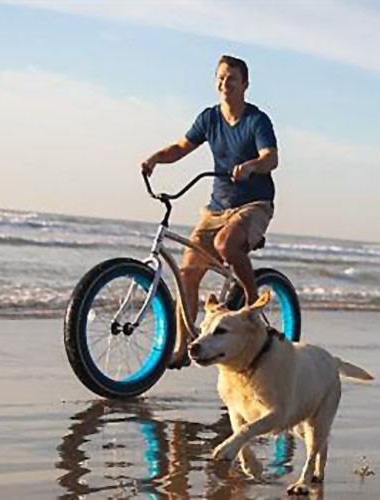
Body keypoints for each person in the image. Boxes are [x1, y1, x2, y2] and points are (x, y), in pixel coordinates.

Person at [140, 55, 279, 368]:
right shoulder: (209, 119)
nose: (223, 83)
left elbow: (271, 158)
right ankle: (182, 345)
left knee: (225, 245)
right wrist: (154, 159)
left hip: (254, 205)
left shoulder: (257, 120)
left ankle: (252, 305)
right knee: (188, 273)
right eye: (219, 77)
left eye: (231, 78)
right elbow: (180, 147)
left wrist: (252, 166)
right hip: (217, 208)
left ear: (245, 84)